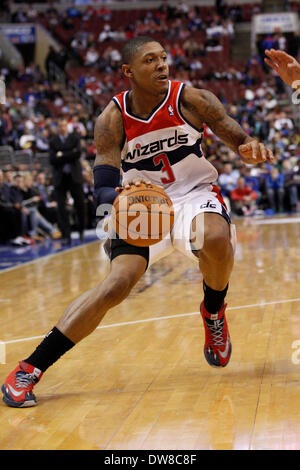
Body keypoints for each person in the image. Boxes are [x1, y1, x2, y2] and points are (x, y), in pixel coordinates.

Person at [1, 36, 273, 408]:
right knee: (115, 285)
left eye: (163, 57)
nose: (162, 64)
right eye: (150, 60)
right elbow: (104, 178)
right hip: (143, 203)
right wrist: (113, 202)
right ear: (128, 71)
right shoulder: (112, 118)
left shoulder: (192, 99)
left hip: (194, 193)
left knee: (214, 237)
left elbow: (238, 138)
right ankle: (30, 367)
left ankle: (213, 311)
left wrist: (250, 150)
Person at [49, 117, 86, 245]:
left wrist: (61, 154)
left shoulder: (75, 138)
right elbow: (52, 160)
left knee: (80, 204)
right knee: (61, 207)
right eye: (60, 126)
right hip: (60, 178)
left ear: (67, 126)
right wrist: (69, 153)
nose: (62, 128)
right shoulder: (53, 141)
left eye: (64, 125)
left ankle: (81, 229)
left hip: (74, 176)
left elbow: (78, 153)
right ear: (58, 127)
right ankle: (66, 235)